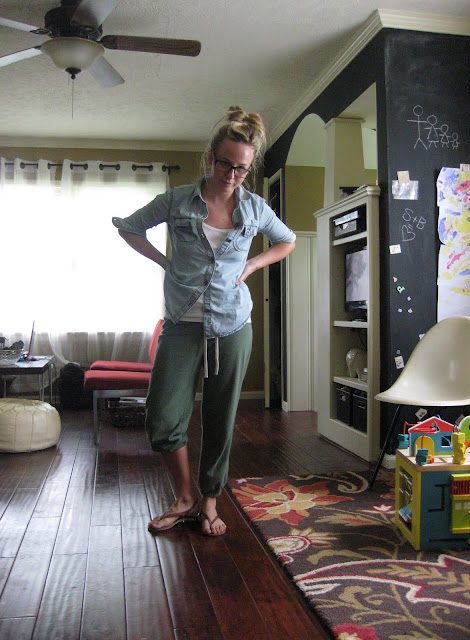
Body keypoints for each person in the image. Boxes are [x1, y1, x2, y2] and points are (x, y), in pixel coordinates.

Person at [112, 106, 295, 536]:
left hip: (232, 325)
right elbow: (129, 227)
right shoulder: (177, 200)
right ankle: (184, 496)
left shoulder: (255, 208)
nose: (232, 175)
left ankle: (209, 501)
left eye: (242, 169)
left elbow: (286, 240)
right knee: (163, 416)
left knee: (220, 417)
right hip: (182, 323)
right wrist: (165, 262)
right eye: (225, 164)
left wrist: (252, 265)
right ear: (210, 157)